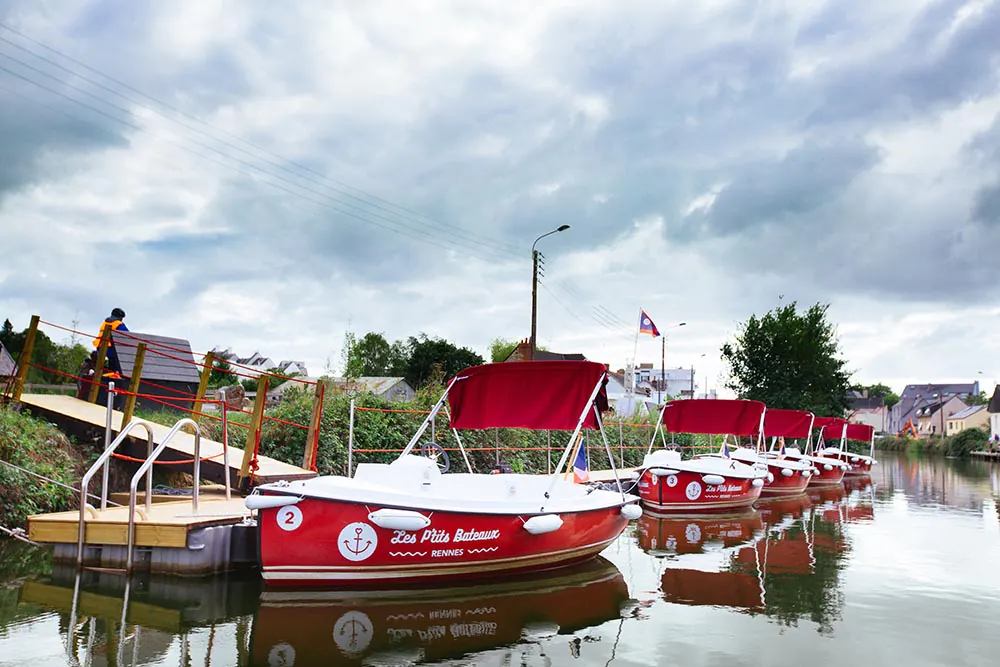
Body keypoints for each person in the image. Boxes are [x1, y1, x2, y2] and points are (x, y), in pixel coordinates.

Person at [92, 307, 129, 375]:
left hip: (99, 346)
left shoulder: (105, 322)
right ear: (120, 317)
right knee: (117, 363)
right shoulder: (118, 324)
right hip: (109, 348)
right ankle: (113, 375)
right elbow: (128, 335)